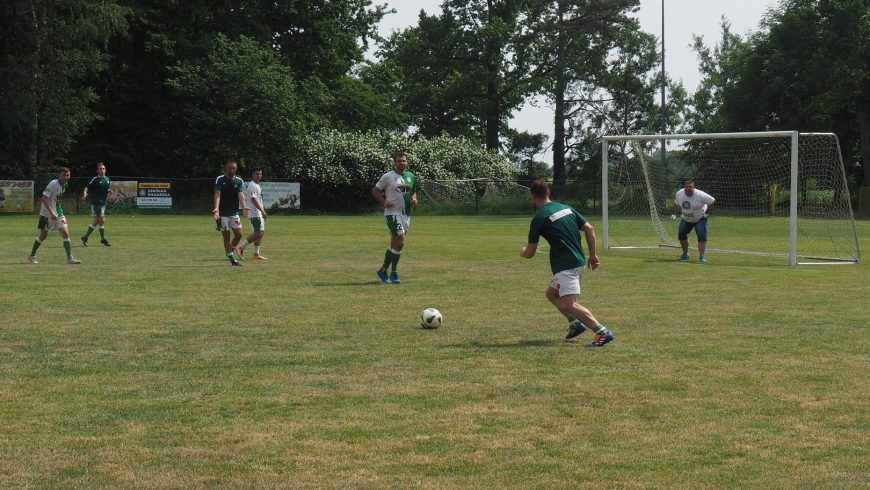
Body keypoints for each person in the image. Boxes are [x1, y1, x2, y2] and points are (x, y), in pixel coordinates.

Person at [520, 180, 613, 347]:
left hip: (565, 266)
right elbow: (590, 229)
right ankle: (575, 324)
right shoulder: (566, 208)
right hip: (578, 262)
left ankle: (602, 332)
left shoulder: (538, 218)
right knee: (552, 294)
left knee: (571, 304)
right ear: (548, 192)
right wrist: (593, 255)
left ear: (533, 197)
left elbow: (530, 253)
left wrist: (523, 251)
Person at [372, 152, 417, 284]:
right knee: (401, 241)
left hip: (406, 214)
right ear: (394, 162)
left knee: (395, 244)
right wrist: (384, 202)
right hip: (393, 213)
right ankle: (394, 273)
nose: (402, 163)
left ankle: (383, 270)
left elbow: (413, 193)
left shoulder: (411, 176)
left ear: (406, 162)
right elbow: (375, 191)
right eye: (399, 161)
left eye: (404, 161)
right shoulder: (388, 176)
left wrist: (414, 200)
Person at [28, 167, 81, 264]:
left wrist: (58, 211)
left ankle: (70, 258)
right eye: (64, 175)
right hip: (46, 214)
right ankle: (32, 255)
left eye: (67, 175)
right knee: (43, 236)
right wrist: (51, 212)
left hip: (59, 212)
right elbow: (44, 199)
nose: (66, 177)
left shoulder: (66, 185)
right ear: (59, 175)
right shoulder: (53, 184)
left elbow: (58, 199)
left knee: (65, 233)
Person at [213, 159, 248, 266]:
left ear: (236, 168)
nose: (231, 170)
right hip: (222, 214)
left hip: (234, 213)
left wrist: (244, 207)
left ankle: (230, 251)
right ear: (226, 168)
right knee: (226, 236)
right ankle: (233, 260)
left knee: (239, 234)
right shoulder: (220, 179)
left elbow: (241, 195)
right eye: (229, 168)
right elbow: (217, 194)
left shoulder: (239, 181)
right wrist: (216, 209)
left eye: (233, 168)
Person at [671, 180, 715, 262]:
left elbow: (712, 201)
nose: (688, 188)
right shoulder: (679, 194)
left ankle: (702, 256)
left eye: (690, 187)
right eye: (686, 187)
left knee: (701, 235)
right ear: (684, 187)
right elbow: (676, 203)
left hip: (700, 217)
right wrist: (674, 213)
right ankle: (685, 254)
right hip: (686, 218)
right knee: (681, 234)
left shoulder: (700, 195)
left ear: (693, 188)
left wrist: (707, 212)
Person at [236, 166, 268, 260]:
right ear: (253, 174)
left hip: (258, 213)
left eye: (260, 174)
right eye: (257, 174)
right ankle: (240, 247)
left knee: (260, 233)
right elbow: (253, 199)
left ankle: (256, 254)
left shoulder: (257, 185)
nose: (259, 176)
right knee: (258, 233)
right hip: (255, 213)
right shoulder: (252, 185)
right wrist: (262, 211)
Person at [81, 162, 113, 247]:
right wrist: (85, 193)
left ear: (105, 170)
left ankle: (85, 237)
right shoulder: (95, 179)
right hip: (97, 203)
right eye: (100, 169)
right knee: (101, 220)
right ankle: (103, 239)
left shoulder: (107, 179)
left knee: (96, 221)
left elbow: (107, 189)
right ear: (97, 171)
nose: (102, 170)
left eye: (103, 168)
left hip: (103, 203)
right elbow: (86, 187)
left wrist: (110, 191)